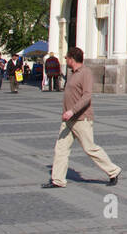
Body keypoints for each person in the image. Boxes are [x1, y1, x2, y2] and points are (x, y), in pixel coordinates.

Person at [44, 47, 121, 190]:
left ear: (72, 59)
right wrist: (67, 113)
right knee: (60, 149)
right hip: (68, 120)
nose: (65, 60)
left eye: (67, 58)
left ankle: (113, 171)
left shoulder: (85, 73)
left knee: (90, 148)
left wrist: (72, 111)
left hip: (81, 118)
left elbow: (87, 96)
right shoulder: (72, 73)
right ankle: (58, 180)